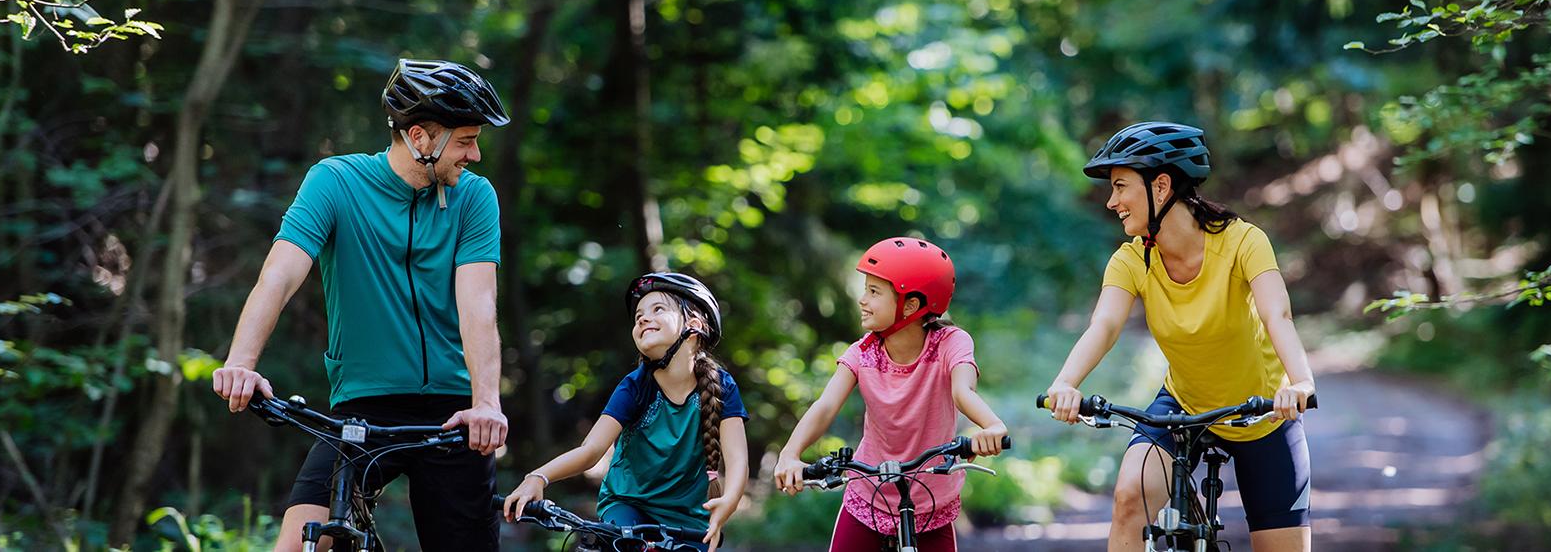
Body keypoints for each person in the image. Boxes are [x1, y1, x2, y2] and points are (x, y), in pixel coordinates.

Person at [211, 58, 512, 551]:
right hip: (363, 410)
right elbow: (280, 275)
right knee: (298, 545)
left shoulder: (475, 198)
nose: (475, 155)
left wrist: (485, 404)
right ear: (420, 137)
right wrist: (241, 364)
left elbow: (478, 304)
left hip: (455, 415)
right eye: (465, 141)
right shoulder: (336, 182)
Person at [1042, 122, 1316, 551]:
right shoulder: (1131, 259)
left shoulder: (1244, 241)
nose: (1112, 202)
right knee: (1129, 497)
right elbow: (1105, 326)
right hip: (1182, 408)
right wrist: (1066, 382)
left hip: (1263, 414)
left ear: (1162, 185)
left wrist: (1300, 381)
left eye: (1120, 186)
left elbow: (1277, 314)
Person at [772, 237, 1008, 552]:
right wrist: (790, 453)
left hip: (931, 503)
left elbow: (962, 391)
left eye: (874, 291)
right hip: (869, 496)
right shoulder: (863, 353)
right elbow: (826, 406)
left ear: (911, 304)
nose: (862, 299)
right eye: (865, 289)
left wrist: (991, 426)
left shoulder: (951, 343)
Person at [502, 272, 749, 551]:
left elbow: (737, 460)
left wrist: (728, 502)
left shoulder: (722, 386)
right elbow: (591, 450)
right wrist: (538, 476)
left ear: (694, 325)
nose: (643, 318)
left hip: (687, 520)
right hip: (628, 505)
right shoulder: (634, 386)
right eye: (638, 316)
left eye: (658, 309)